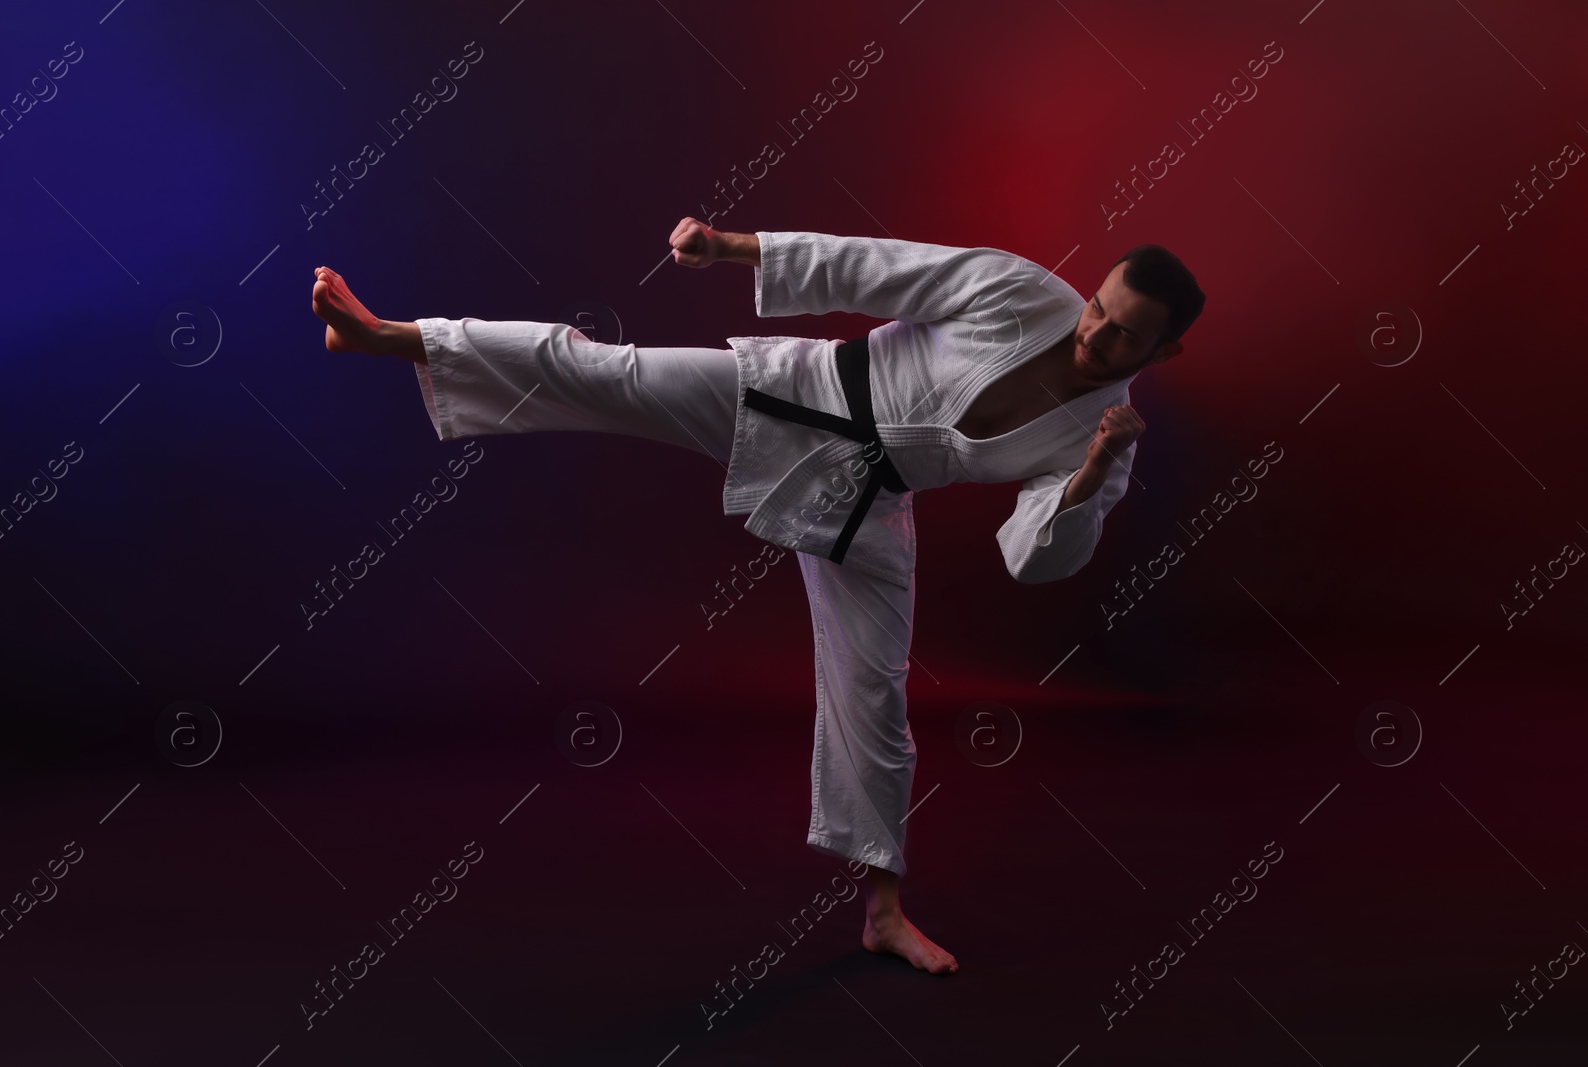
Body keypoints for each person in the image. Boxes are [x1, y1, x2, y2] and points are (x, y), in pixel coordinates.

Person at [311, 218, 1204, 976]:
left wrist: (1090, 471)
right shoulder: (1020, 293)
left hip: (870, 498)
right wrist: (733, 247)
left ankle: (882, 911)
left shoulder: (1105, 438)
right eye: (1098, 308)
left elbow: (1035, 557)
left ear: (1163, 351)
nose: (1095, 335)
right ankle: (394, 335)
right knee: (610, 370)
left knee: (874, 694)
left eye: (1126, 336)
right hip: (797, 391)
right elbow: (877, 264)